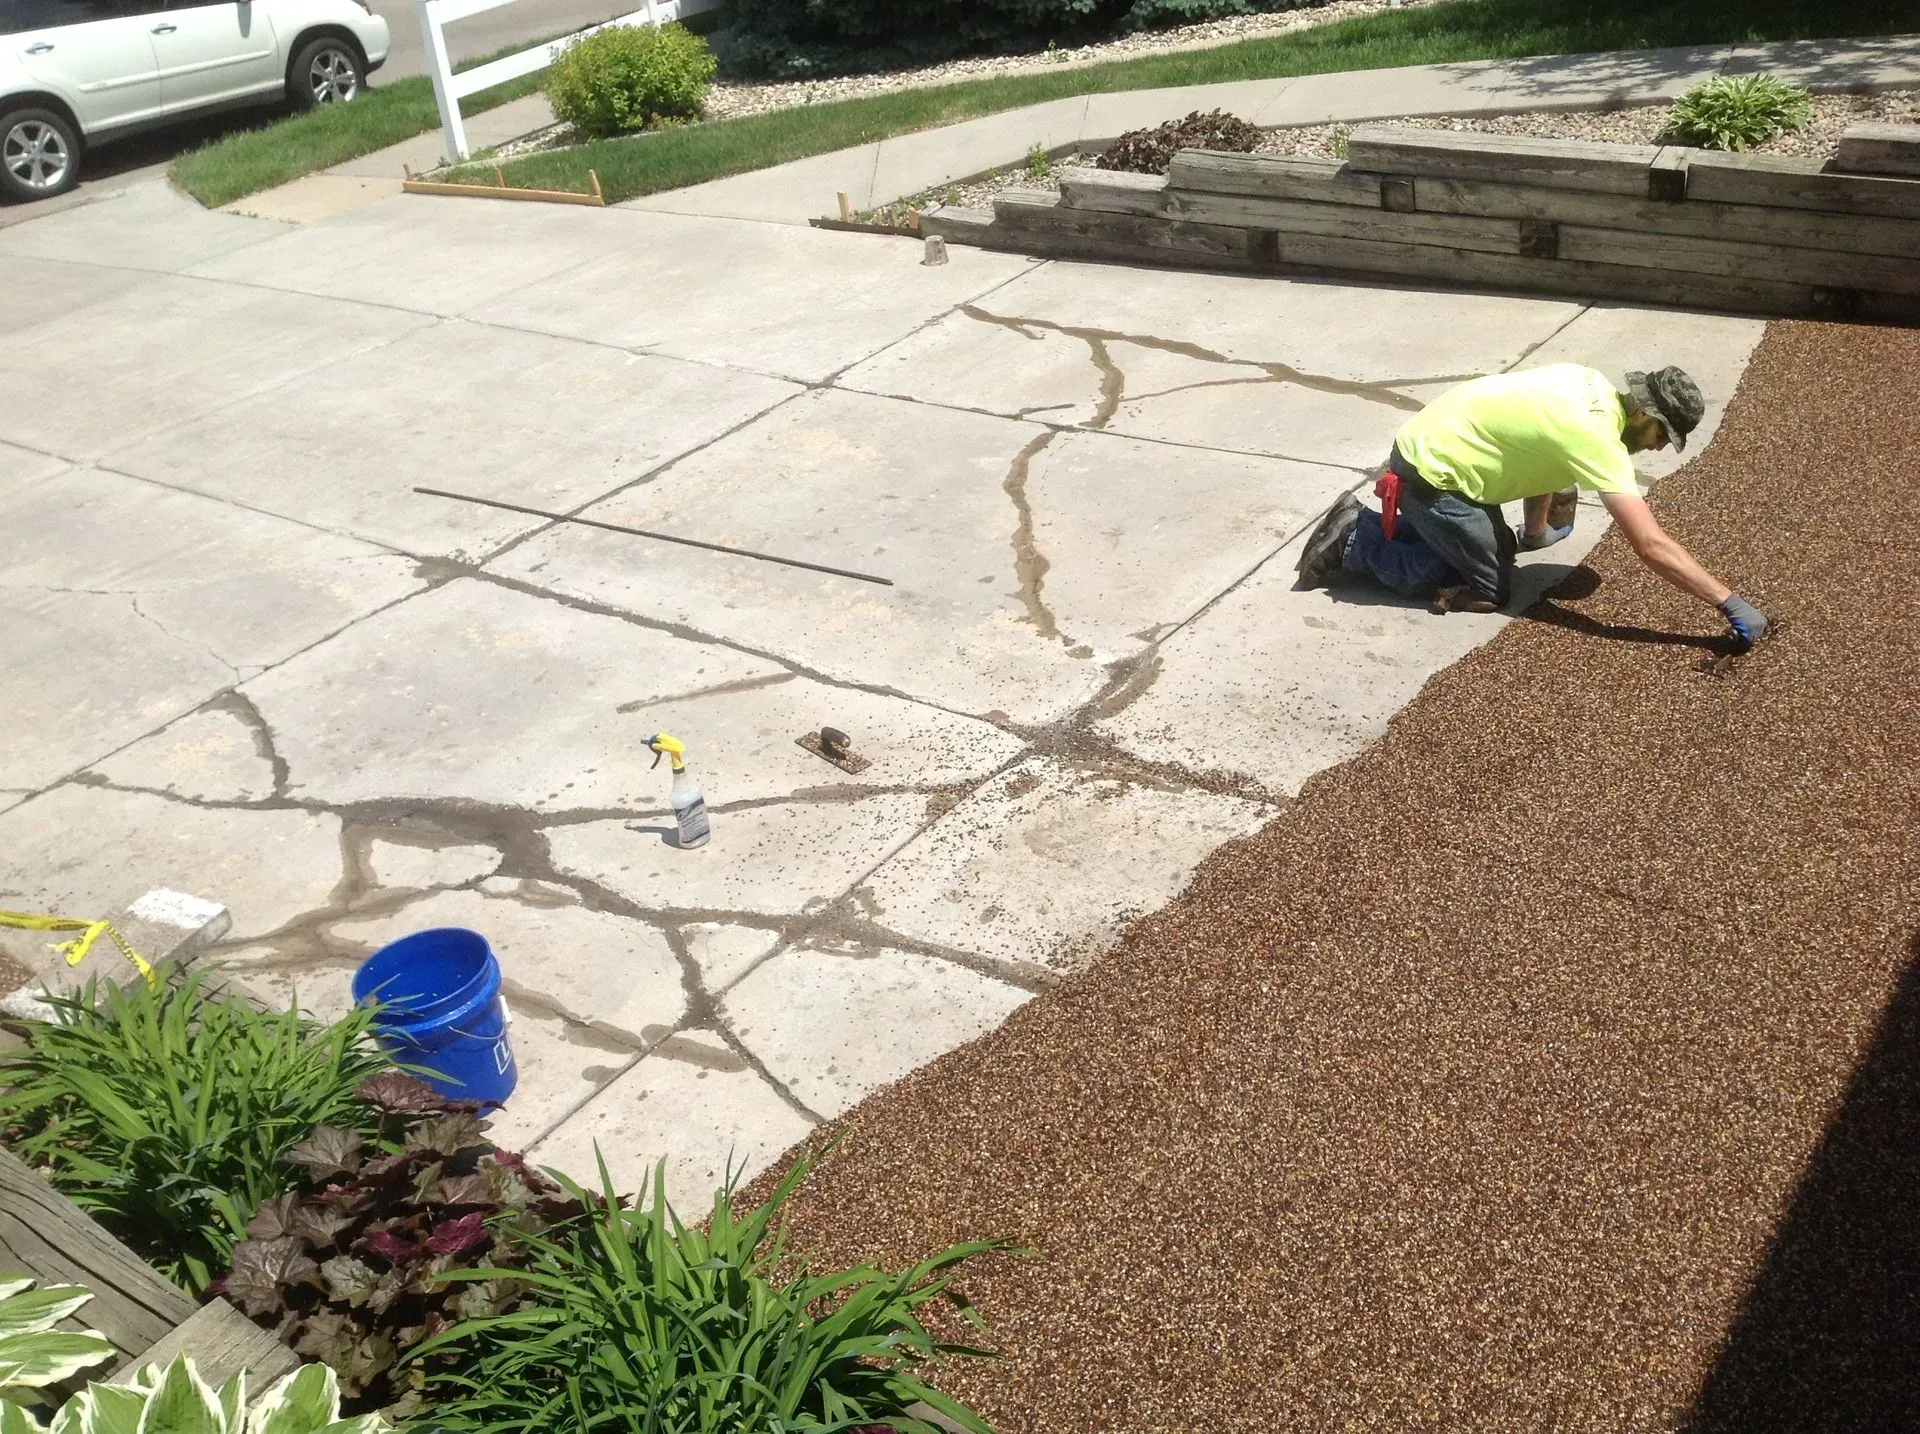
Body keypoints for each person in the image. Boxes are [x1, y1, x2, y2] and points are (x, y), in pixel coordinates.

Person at [1293, 364, 1770, 649]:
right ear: (1644, 413)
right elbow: (1649, 544)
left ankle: (1415, 529)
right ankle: (1356, 539)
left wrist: (1536, 531)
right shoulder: (1595, 439)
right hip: (1433, 475)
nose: (1662, 448)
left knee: (1500, 546)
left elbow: (1543, 457)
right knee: (1487, 590)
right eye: (1663, 433)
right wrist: (1727, 602)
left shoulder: (1589, 384)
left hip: (1444, 450)